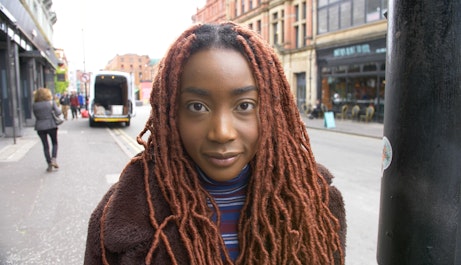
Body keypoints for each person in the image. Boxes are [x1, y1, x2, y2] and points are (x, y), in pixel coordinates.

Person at [84, 22, 346, 265]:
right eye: (197, 106)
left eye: (244, 105)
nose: (222, 133)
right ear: (171, 115)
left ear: (272, 111)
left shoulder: (318, 201)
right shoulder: (117, 213)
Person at [32, 87, 62, 172]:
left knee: (45, 146)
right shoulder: (51, 103)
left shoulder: (35, 105)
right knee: (54, 143)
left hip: (40, 127)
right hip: (51, 125)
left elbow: (36, 115)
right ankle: (54, 159)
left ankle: (49, 163)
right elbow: (58, 112)